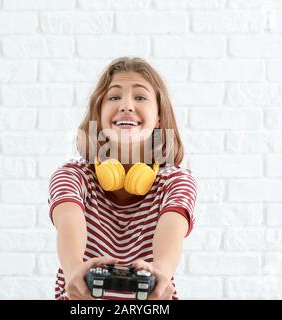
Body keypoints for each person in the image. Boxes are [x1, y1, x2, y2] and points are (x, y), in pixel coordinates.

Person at [48, 57, 198, 300]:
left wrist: (161, 272)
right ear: (99, 112)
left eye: (140, 97)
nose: (126, 106)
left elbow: (172, 229)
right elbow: (68, 218)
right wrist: (74, 269)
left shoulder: (176, 181)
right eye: (114, 97)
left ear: (159, 116)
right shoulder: (72, 176)